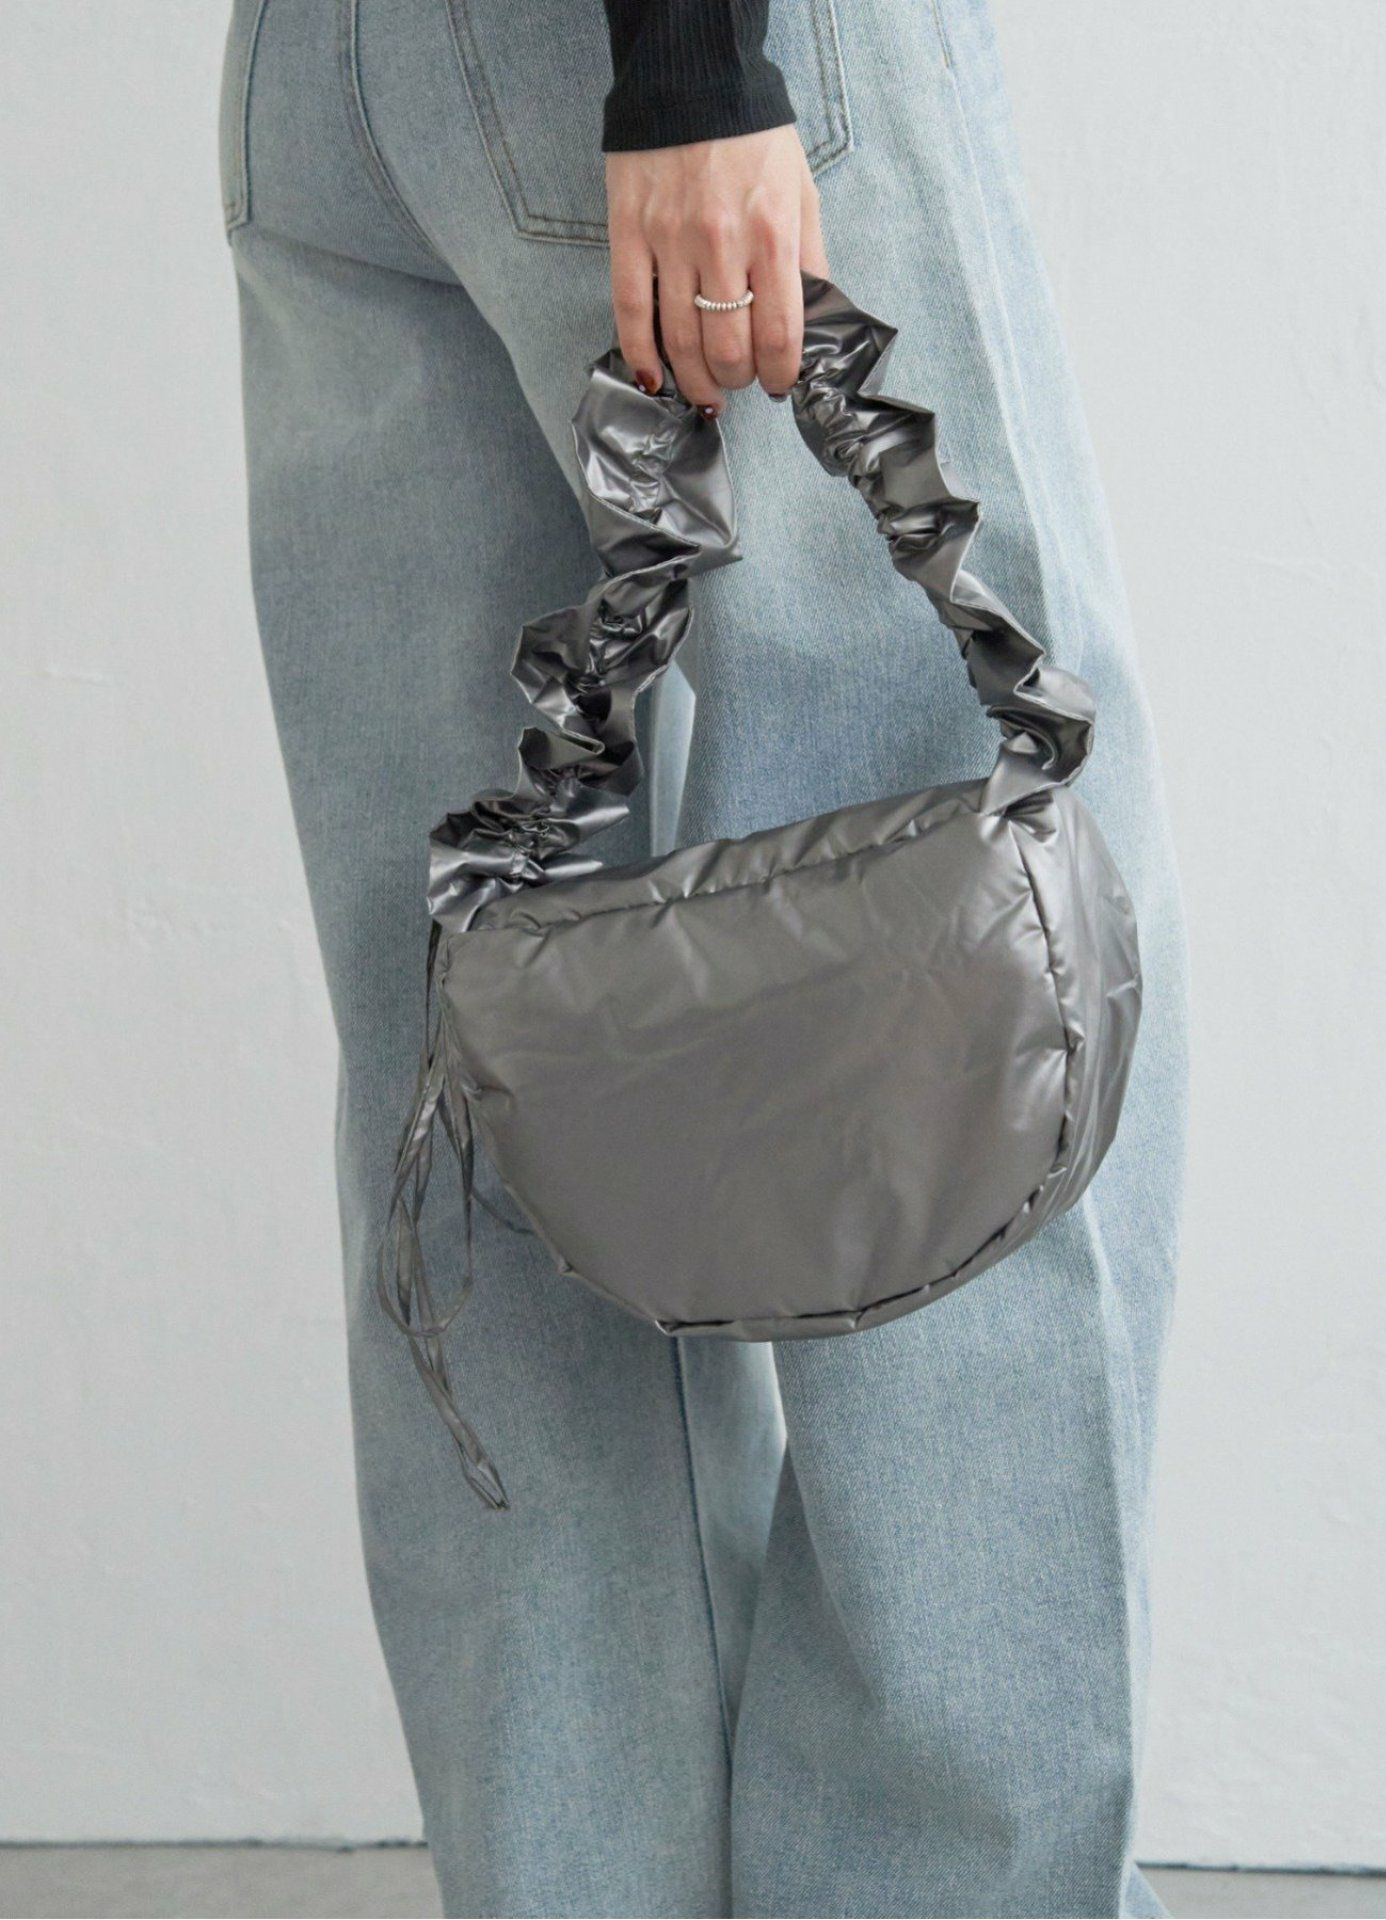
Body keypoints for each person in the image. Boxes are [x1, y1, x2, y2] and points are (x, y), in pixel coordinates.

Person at [221, 0, 1188, 1912]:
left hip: (325, 83)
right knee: (963, 1003)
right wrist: (693, 69)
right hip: (670, 75)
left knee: (506, 1064)